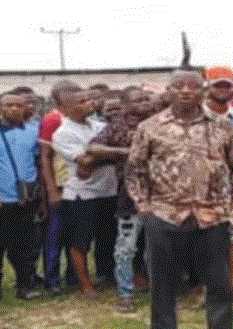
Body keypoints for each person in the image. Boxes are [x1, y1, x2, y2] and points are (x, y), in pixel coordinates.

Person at [127, 69, 233, 329]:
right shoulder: (150, 127)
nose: (185, 91)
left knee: (219, 284)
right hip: (165, 215)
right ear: (168, 90)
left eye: (192, 86)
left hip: (212, 216)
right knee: (163, 285)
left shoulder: (222, 126)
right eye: (178, 86)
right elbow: (135, 169)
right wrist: (144, 207)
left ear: (202, 90)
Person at [85, 87, 156, 313]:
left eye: (146, 99)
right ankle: (125, 294)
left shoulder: (161, 123)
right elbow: (93, 147)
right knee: (125, 249)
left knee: (159, 249)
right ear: (125, 105)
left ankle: (162, 294)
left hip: (163, 197)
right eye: (137, 100)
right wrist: (124, 152)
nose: (144, 103)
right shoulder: (118, 126)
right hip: (130, 198)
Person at [51, 83, 119, 299]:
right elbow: (84, 160)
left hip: (108, 190)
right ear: (65, 109)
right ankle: (84, 283)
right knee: (80, 241)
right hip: (82, 194)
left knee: (108, 237)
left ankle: (107, 276)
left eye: (88, 99)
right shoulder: (63, 133)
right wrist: (108, 155)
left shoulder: (99, 126)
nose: (89, 103)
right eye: (81, 102)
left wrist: (98, 156)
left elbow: (96, 158)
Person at [0, 92, 45, 301]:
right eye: (9, 105)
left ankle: (24, 286)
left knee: (25, 246)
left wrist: (39, 192)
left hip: (26, 199)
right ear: (0, 108)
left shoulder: (33, 132)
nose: (14, 108)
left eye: (18, 105)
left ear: (25, 108)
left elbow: (39, 162)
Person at [202, 67, 233, 296]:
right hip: (201, 184)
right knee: (204, 237)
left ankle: (230, 285)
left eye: (227, 85)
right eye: (217, 85)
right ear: (207, 87)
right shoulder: (196, 114)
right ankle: (206, 285)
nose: (222, 90)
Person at [39, 82, 76, 295]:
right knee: (55, 235)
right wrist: (52, 190)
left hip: (77, 185)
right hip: (60, 185)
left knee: (74, 233)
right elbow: (45, 156)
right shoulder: (53, 119)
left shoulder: (79, 119)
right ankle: (52, 279)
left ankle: (73, 276)